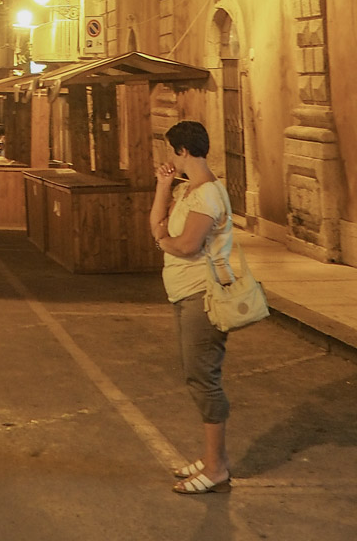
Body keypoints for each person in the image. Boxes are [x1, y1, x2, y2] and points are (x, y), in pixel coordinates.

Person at [149, 120, 234, 496]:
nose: (171, 158)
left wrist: (163, 241)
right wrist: (163, 187)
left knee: (204, 380)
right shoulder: (187, 192)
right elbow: (156, 224)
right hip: (185, 294)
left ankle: (216, 468)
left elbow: (186, 245)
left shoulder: (207, 197)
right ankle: (211, 458)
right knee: (196, 377)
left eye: (172, 151)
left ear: (182, 151)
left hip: (204, 296)